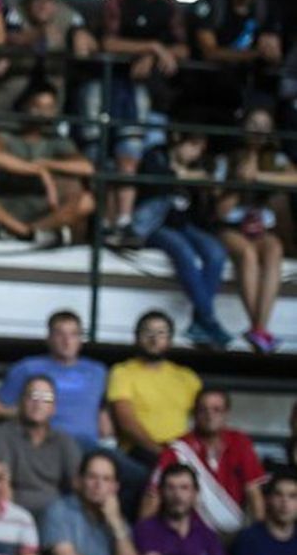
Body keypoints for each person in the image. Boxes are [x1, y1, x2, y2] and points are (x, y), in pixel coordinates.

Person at [87, 0, 188, 243]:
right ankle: (106, 224)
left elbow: (184, 49)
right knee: (102, 155)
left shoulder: (168, 5)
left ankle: (125, 222)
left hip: (145, 95)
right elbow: (108, 41)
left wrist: (150, 52)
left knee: (133, 156)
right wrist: (152, 48)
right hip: (109, 86)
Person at [134, 136, 233, 349]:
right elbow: (153, 181)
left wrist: (206, 190)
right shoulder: (156, 155)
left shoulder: (199, 166)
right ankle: (209, 320)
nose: (195, 153)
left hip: (186, 225)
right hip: (155, 225)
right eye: (193, 145)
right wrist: (184, 175)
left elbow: (204, 210)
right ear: (178, 140)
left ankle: (199, 322)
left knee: (216, 253)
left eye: (200, 149)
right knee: (184, 253)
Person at [214, 106, 290, 354]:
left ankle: (260, 328)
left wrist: (259, 176)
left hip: (261, 229)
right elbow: (220, 212)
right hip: (232, 228)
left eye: (264, 125)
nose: (258, 130)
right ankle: (256, 326)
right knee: (247, 254)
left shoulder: (276, 160)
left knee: (274, 249)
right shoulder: (226, 158)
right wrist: (238, 184)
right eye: (253, 123)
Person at [145, 389, 267, 533]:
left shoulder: (240, 442)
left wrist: (262, 535)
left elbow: (254, 493)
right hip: (190, 533)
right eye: (203, 409)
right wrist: (144, 536)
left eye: (217, 410)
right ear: (194, 413)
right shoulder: (178, 449)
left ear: (226, 414)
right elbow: (153, 495)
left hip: (234, 532)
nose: (210, 415)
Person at [0, 310, 108, 454]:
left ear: (81, 339)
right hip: (45, 444)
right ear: (49, 338)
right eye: (60, 334)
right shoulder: (28, 368)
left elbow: (104, 411)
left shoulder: (97, 372)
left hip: (89, 447)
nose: (67, 341)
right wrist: (29, 412)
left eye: (74, 334)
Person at [0, 87, 97, 243]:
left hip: (43, 205)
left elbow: (86, 167)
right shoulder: (6, 135)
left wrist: (47, 163)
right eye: (38, 106)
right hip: (9, 199)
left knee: (86, 200)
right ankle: (13, 228)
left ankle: (31, 232)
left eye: (49, 107)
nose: (43, 112)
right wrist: (39, 171)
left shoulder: (56, 140)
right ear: (25, 106)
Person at [190, 0, 283, 122]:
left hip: (244, 89)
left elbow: (273, 52)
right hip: (204, 89)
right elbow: (209, 52)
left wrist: (271, 52)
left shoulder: (266, 8)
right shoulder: (213, 3)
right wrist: (255, 54)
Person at [108, 310, 203, 466]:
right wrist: (160, 452)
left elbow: (204, 416)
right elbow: (126, 421)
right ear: (137, 337)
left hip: (179, 452)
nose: (154, 339)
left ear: (170, 339)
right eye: (148, 332)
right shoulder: (122, 372)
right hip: (138, 452)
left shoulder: (186, 377)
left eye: (161, 333)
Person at [0, 376, 82, 515]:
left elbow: (77, 483)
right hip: (15, 508)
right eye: (33, 397)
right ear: (21, 402)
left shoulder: (64, 440)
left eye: (46, 399)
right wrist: (11, 516)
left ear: (53, 408)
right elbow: (1, 481)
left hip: (55, 512)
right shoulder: (2, 434)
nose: (38, 404)